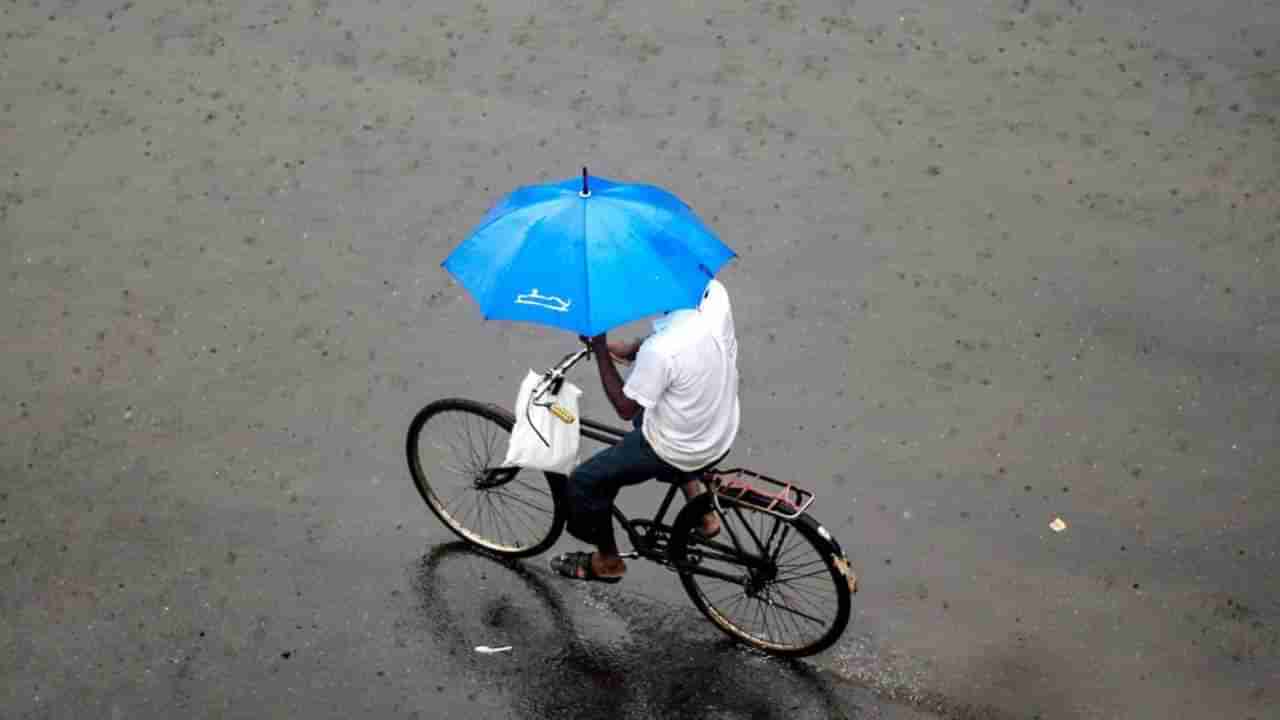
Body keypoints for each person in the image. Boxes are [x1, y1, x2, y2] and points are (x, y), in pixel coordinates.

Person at [550, 277, 740, 583]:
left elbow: (627, 408)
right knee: (658, 408)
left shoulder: (662, 351)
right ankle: (701, 510)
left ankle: (608, 562)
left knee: (585, 482)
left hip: (680, 446)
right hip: (719, 422)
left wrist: (600, 348)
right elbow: (683, 348)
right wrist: (636, 348)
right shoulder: (715, 293)